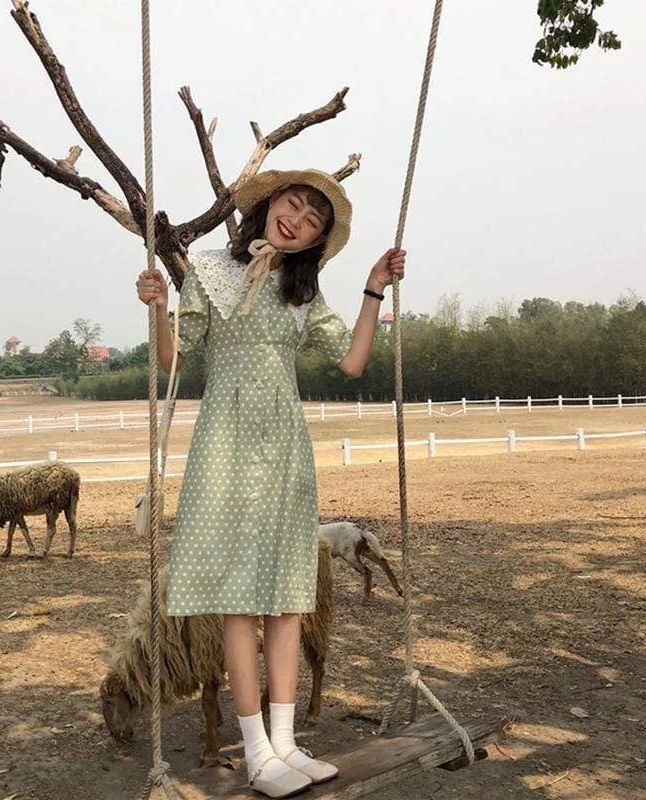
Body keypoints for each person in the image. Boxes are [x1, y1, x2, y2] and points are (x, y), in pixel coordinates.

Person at [136, 169, 405, 798]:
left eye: (314, 220)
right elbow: (174, 361)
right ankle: (257, 751)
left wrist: (372, 289)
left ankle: (285, 744)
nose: (299, 220)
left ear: (316, 241)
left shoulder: (300, 293)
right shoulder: (205, 269)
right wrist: (156, 308)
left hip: (284, 448)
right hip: (226, 445)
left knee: (287, 599)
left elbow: (354, 362)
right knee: (242, 601)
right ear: (268, 205)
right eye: (294, 205)